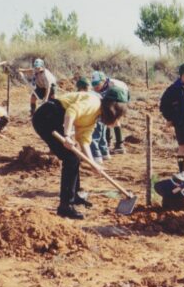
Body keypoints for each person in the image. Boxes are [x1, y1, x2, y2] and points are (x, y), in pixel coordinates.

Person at [32, 86, 128, 220]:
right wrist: (67, 135)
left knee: (74, 157)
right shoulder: (93, 103)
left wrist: (93, 163)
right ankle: (65, 206)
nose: (118, 122)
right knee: (70, 159)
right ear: (113, 109)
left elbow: (84, 139)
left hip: (55, 118)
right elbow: (71, 112)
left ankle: (75, 196)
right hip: (46, 116)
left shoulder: (95, 115)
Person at [91, 70, 130, 154]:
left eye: (97, 84)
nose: (95, 86)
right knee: (106, 117)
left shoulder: (114, 85)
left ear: (103, 80)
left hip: (120, 99)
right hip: (111, 99)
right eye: (93, 84)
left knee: (111, 118)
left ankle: (118, 145)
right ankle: (109, 143)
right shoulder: (98, 88)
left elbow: (125, 98)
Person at [77, 76, 110, 163]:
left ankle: (96, 156)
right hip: (103, 117)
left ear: (81, 88)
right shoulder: (96, 93)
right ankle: (105, 153)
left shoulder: (83, 95)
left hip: (95, 118)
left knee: (93, 137)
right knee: (102, 136)